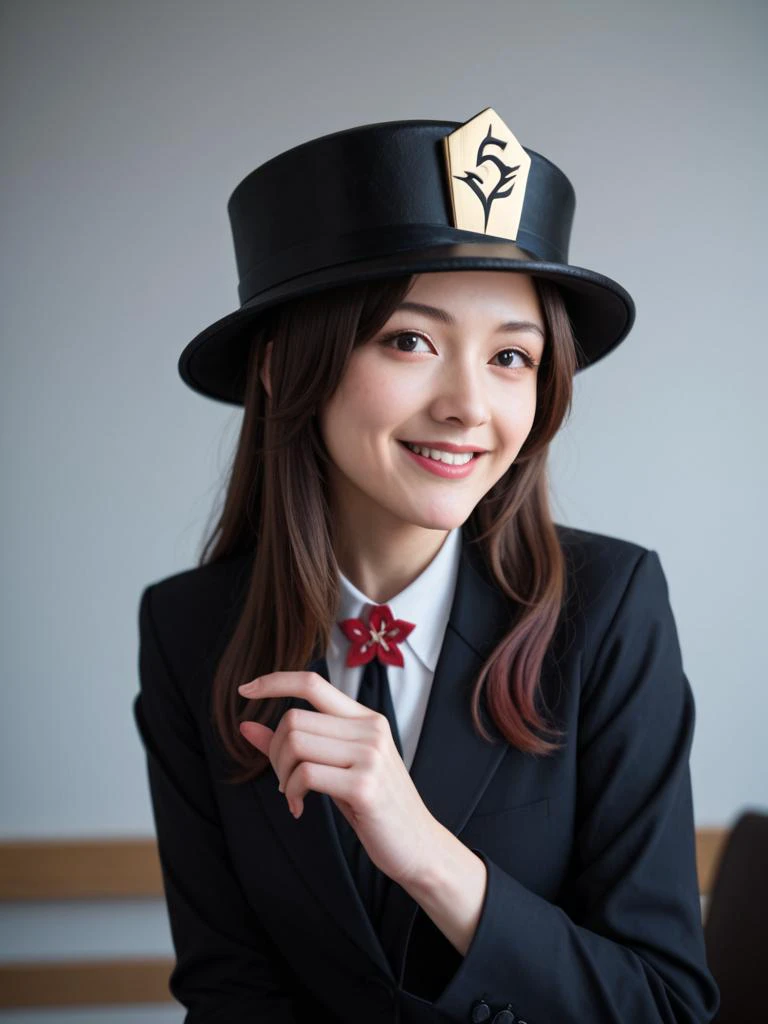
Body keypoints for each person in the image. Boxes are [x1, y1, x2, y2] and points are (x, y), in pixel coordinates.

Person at [132, 108, 720, 1023]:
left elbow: (666, 1005)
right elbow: (229, 988)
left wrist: (426, 854)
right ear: (286, 369)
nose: (468, 406)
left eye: (512, 356)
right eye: (410, 340)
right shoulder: (188, 631)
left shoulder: (609, 609)